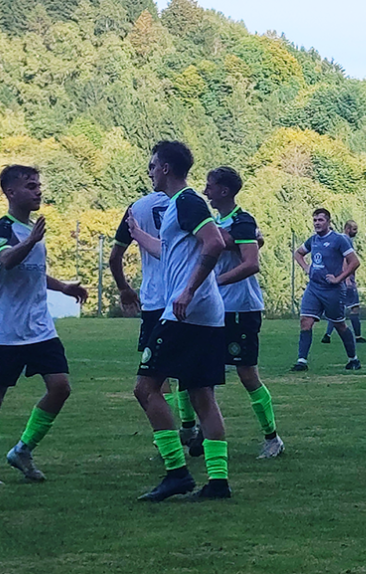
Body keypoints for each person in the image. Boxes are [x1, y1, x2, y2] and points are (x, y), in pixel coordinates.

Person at [0, 165, 88, 486]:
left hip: (39, 328)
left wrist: (64, 287)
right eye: (30, 186)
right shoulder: (2, 229)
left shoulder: (31, 230)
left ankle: (22, 450)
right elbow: (8, 260)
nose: (38, 191)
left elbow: (34, 271)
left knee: (61, 387)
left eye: (38, 185)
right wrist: (32, 240)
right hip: (4, 331)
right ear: (10, 192)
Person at [131, 141, 232, 501]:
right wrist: (139, 235)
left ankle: (176, 473)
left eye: (153, 165)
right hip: (204, 315)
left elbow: (214, 242)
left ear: (166, 168)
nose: (150, 172)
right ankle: (218, 482)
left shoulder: (188, 201)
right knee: (201, 394)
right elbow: (170, 250)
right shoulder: (178, 206)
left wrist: (188, 290)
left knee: (145, 388)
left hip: (185, 313)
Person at [202, 166, 284, 459]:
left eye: (210, 186)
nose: (205, 191)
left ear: (224, 191)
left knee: (247, 374)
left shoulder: (243, 221)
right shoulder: (214, 222)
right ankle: (198, 431)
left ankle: (272, 438)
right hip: (214, 310)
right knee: (200, 372)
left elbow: (251, 264)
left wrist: (214, 281)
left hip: (240, 309)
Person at [109, 189, 194, 444]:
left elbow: (115, 256)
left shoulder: (137, 207)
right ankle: (188, 426)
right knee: (188, 367)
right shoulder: (191, 202)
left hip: (155, 301)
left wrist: (124, 288)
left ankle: (168, 434)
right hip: (184, 298)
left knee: (154, 375)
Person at [291, 209, 361, 371]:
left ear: (328, 222)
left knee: (339, 324)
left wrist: (339, 278)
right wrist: (306, 268)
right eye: (315, 220)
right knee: (305, 322)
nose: (317, 223)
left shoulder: (339, 240)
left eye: (320, 220)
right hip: (314, 288)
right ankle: (301, 361)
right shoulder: (313, 240)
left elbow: (354, 262)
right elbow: (298, 253)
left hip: (333, 291)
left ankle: (353, 359)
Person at [321, 220, 366, 344]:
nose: (356, 232)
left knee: (337, 309)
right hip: (346, 280)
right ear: (347, 229)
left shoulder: (337, 239)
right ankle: (358, 336)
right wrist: (347, 278)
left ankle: (327, 335)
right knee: (354, 308)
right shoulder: (346, 240)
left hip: (338, 279)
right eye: (354, 229)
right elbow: (346, 259)